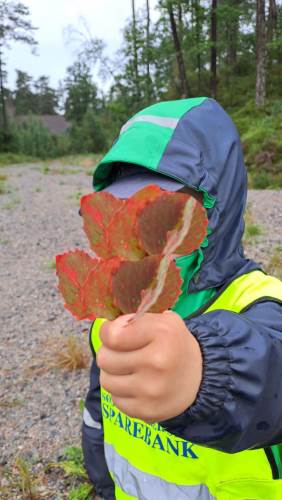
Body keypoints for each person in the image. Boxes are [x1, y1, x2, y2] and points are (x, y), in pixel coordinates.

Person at [82, 97, 282, 500]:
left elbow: (272, 365)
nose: (138, 234)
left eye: (163, 210)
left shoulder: (261, 303)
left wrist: (211, 372)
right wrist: (103, 487)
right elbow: (97, 413)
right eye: (119, 208)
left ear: (216, 211)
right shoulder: (112, 315)